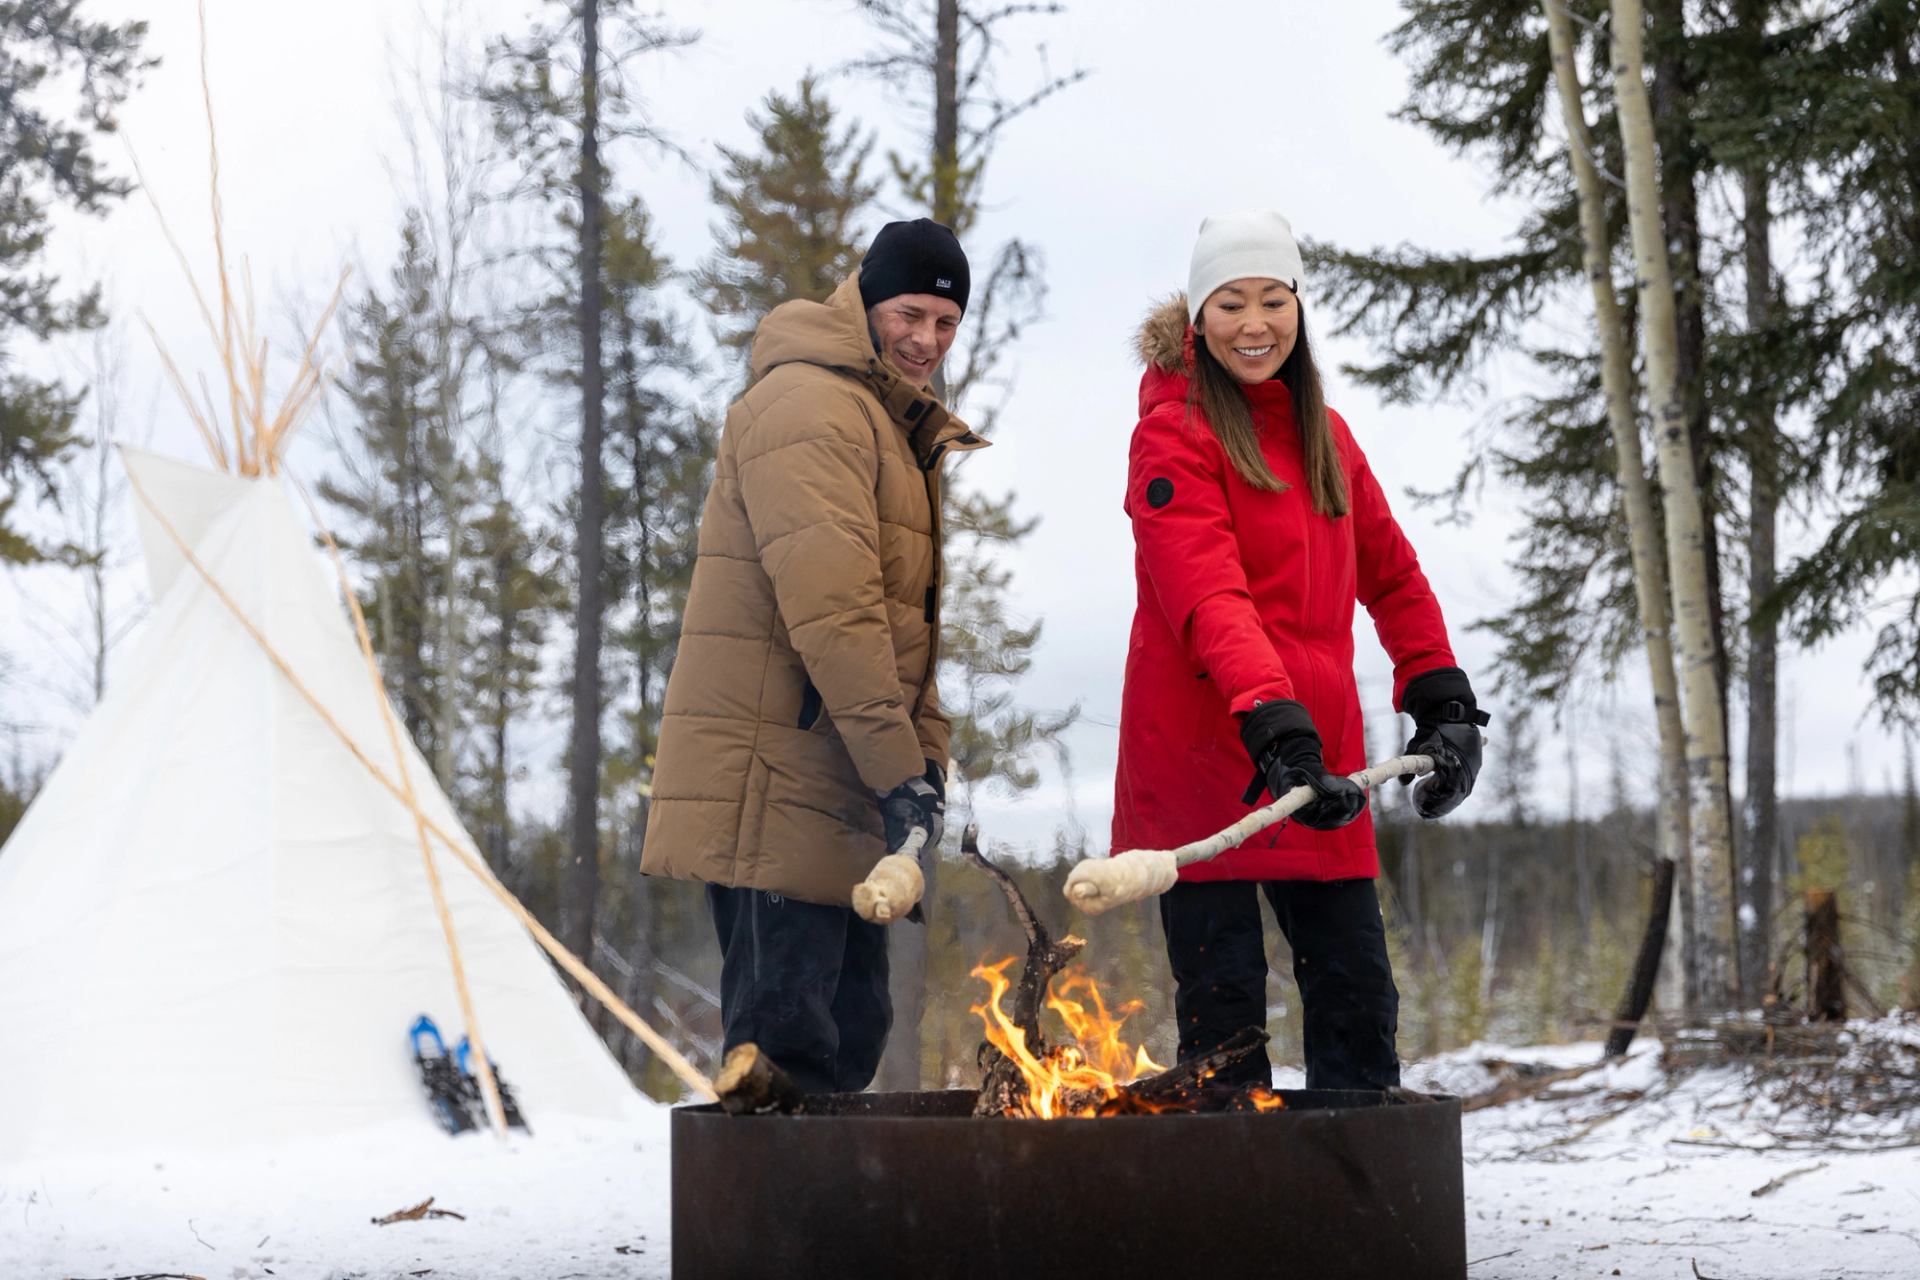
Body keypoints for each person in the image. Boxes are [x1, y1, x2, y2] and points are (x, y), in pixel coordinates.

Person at [1113, 209, 1490, 1090]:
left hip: (1316, 761)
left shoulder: (1327, 435)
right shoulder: (1172, 434)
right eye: (1231, 303)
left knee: (1359, 999)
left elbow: (1393, 575)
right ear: (1198, 319)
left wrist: (1444, 700)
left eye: (1273, 301)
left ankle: (1355, 1212)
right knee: (1227, 1020)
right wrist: (1276, 726)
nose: (1255, 324)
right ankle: (1233, 1213)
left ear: (1298, 308)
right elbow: (1208, 597)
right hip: (1212, 758)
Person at [642, 218, 986, 1093]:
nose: (926, 341)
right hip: (779, 776)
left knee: (848, 1034)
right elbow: (834, 612)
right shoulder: (809, 406)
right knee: (786, 1050)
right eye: (909, 315)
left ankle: (827, 1227)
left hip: (838, 776)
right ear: (868, 302)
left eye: (945, 325)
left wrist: (925, 764)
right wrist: (896, 770)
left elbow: (909, 630)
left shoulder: (881, 423)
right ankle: (767, 1229)